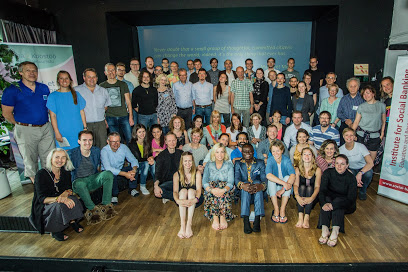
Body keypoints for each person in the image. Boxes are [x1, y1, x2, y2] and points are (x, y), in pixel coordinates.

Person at [1, 61, 55, 183]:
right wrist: (21, 125)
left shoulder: (43, 88)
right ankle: (38, 189)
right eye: (28, 70)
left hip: (46, 127)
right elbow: (6, 113)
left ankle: (50, 185)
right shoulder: (12, 90)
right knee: (30, 161)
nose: (32, 73)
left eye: (34, 70)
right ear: (20, 72)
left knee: (49, 159)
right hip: (25, 129)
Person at [30, 148, 83, 241]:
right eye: (57, 157)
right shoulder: (41, 174)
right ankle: (55, 230)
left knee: (74, 199)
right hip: (45, 204)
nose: (60, 160)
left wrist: (65, 194)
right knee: (58, 206)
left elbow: (69, 188)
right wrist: (59, 198)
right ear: (51, 159)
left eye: (63, 158)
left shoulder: (65, 172)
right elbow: (41, 199)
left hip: (59, 198)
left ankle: (72, 220)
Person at [68, 131, 116, 225]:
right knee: (80, 184)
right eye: (84, 140)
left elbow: (98, 166)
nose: (87, 143)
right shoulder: (72, 153)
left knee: (108, 174)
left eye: (90, 140)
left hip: (93, 178)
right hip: (79, 180)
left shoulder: (96, 151)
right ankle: (92, 210)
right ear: (79, 141)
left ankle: (106, 206)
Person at [318, 154, 357, 247]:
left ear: (347, 165)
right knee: (327, 200)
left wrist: (334, 205)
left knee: (338, 204)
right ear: (334, 164)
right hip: (329, 199)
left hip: (345, 202)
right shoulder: (328, 173)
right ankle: (325, 229)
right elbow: (322, 190)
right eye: (337, 163)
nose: (339, 166)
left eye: (342, 164)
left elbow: (351, 198)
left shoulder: (351, 178)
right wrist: (323, 203)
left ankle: (335, 231)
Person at [47, 71, 86, 150]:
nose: (64, 81)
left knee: (77, 156)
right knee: (65, 157)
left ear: (70, 80)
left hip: (77, 130)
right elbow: (53, 116)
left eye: (66, 78)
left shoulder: (76, 94)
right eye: (61, 78)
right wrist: (57, 132)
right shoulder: (53, 96)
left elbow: (82, 112)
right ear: (58, 80)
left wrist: (85, 128)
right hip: (63, 132)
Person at [75, 68, 111, 149]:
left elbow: (106, 106)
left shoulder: (103, 91)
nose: (92, 79)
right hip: (85, 125)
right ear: (84, 78)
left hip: (100, 124)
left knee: (103, 147)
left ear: (97, 78)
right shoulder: (77, 91)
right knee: (87, 148)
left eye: (94, 77)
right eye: (89, 77)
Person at [235, 144, 266, 234]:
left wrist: (262, 186)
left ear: (253, 152)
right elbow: (236, 178)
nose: (247, 153)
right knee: (246, 187)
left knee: (258, 184)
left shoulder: (260, 162)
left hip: (257, 190)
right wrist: (242, 185)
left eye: (250, 151)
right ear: (242, 152)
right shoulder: (238, 163)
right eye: (245, 151)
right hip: (244, 191)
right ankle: (246, 220)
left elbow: (264, 178)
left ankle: (257, 220)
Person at [202, 143, 235, 230]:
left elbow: (231, 182)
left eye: (222, 152)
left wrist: (223, 190)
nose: (220, 155)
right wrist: (212, 190)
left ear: (225, 153)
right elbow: (204, 182)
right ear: (213, 153)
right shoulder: (208, 165)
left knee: (222, 189)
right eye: (217, 152)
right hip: (211, 189)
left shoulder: (229, 165)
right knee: (213, 190)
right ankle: (215, 217)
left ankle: (222, 216)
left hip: (225, 189)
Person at [101, 132, 139, 204]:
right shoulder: (104, 151)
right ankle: (114, 195)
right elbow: (108, 168)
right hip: (108, 172)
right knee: (110, 174)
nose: (116, 144)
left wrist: (134, 170)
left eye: (117, 141)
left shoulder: (123, 147)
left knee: (135, 167)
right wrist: (125, 174)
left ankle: (132, 189)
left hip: (120, 170)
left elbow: (133, 159)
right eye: (113, 141)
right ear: (108, 142)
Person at [100, 63, 134, 144]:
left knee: (130, 139)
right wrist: (104, 119)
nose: (111, 72)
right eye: (109, 70)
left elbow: (128, 102)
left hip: (124, 116)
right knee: (116, 141)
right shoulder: (102, 86)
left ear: (115, 72)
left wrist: (131, 117)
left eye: (113, 70)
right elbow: (101, 105)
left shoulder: (123, 84)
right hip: (110, 117)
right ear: (105, 72)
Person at [352, 85, 386, 162]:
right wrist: (352, 134)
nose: (366, 96)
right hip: (361, 134)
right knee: (360, 157)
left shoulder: (381, 106)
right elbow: (356, 122)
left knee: (371, 159)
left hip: (375, 135)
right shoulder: (361, 107)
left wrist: (382, 133)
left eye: (367, 93)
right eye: (364, 94)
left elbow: (384, 121)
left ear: (373, 93)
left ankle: (369, 173)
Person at [173, 152, 202, 239]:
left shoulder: (197, 173)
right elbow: (175, 191)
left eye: (190, 161)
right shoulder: (176, 174)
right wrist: (177, 200)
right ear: (182, 162)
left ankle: (189, 224)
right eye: (185, 161)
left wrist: (195, 199)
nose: (188, 163)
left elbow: (199, 190)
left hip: (195, 199)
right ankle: (182, 225)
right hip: (182, 199)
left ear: (193, 161)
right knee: (182, 191)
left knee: (190, 191)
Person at [266, 140, 296, 224]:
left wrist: (283, 189)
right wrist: (284, 184)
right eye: (273, 151)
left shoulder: (286, 160)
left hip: (284, 188)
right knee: (271, 179)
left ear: (282, 150)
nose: (276, 153)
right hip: (274, 187)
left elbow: (293, 175)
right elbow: (268, 175)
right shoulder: (270, 160)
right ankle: (276, 209)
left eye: (278, 150)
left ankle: (282, 210)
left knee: (288, 177)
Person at [340, 128, 374, 200]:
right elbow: (341, 165)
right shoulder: (341, 150)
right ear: (343, 136)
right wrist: (347, 170)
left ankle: (362, 191)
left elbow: (370, 163)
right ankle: (352, 191)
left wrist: (360, 173)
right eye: (346, 135)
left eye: (351, 135)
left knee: (368, 174)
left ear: (355, 137)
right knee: (346, 175)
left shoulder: (361, 146)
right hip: (350, 168)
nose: (349, 137)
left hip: (362, 168)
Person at [294, 147, 321, 228]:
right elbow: (296, 185)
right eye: (305, 154)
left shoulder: (317, 169)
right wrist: (297, 196)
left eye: (309, 154)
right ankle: (300, 216)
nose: (307, 156)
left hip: (312, 196)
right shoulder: (298, 169)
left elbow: (317, 186)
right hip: (300, 194)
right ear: (301, 156)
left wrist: (311, 198)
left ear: (313, 156)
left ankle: (307, 217)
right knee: (302, 187)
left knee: (309, 188)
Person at [154, 133, 183, 203]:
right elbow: (157, 173)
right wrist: (156, 186)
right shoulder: (161, 156)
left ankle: (173, 196)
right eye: (169, 141)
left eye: (173, 140)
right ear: (166, 142)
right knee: (160, 190)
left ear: (176, 141)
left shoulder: (181, 153)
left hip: (180, 182)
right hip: (167, 182)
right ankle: (179, 197)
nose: (172, 143)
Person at [128, 124, 155, 195]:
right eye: (139, 132)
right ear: (135, 133)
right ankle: (142, 186)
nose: (142, 134)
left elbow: (149, 154)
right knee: (146, 164)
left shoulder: (147, 141)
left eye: (143, 131)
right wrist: (147, 159)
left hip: (145, 162)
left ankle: (157, 183)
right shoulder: (132, 143)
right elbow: (136, 159)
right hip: (136, 165)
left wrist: (151, 158)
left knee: (153, 163)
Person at [337, 77, 364, 144]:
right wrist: (346, 120)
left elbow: (364, 114)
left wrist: (352, 121)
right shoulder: (344, 99)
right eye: (350, 86)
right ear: (347, 87)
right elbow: (339, 112)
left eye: (355, 86)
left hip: (358, 126)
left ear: (358, 87)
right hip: (345, 125)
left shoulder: (362, 99)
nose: (352, 88)